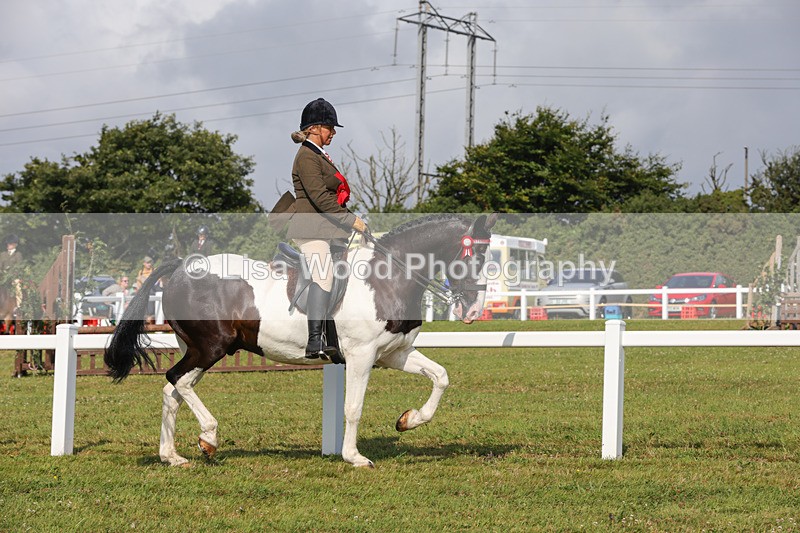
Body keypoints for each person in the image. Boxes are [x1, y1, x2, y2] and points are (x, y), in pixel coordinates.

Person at [286, 97, 367, 360]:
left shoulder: (319, 155)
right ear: (314, 128)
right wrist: (350, 220)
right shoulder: (307, 156)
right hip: (310, 230)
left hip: (326, 230)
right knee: (323, 276)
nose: (333, 132)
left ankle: (333, 339)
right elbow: (321, 198)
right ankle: (314, 342)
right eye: (330, 128)